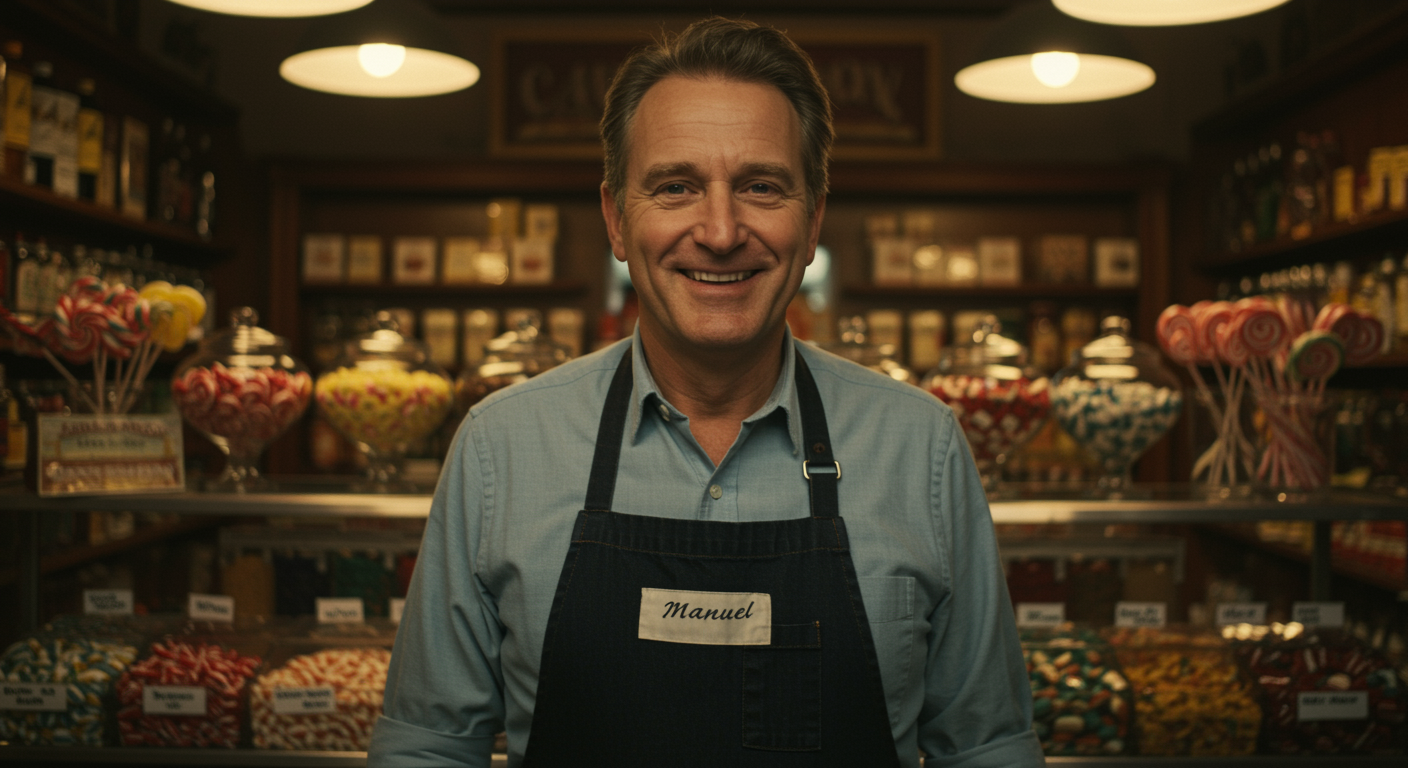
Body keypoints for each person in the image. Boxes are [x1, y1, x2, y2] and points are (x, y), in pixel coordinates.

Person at [369, 17, 1042, 768]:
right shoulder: (501, 448)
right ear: (617, 220)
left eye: (761, 186)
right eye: (676, 187)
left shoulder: (922, 448)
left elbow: (988, 750)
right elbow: (426, 750)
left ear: (812, 218)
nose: (720, 231)